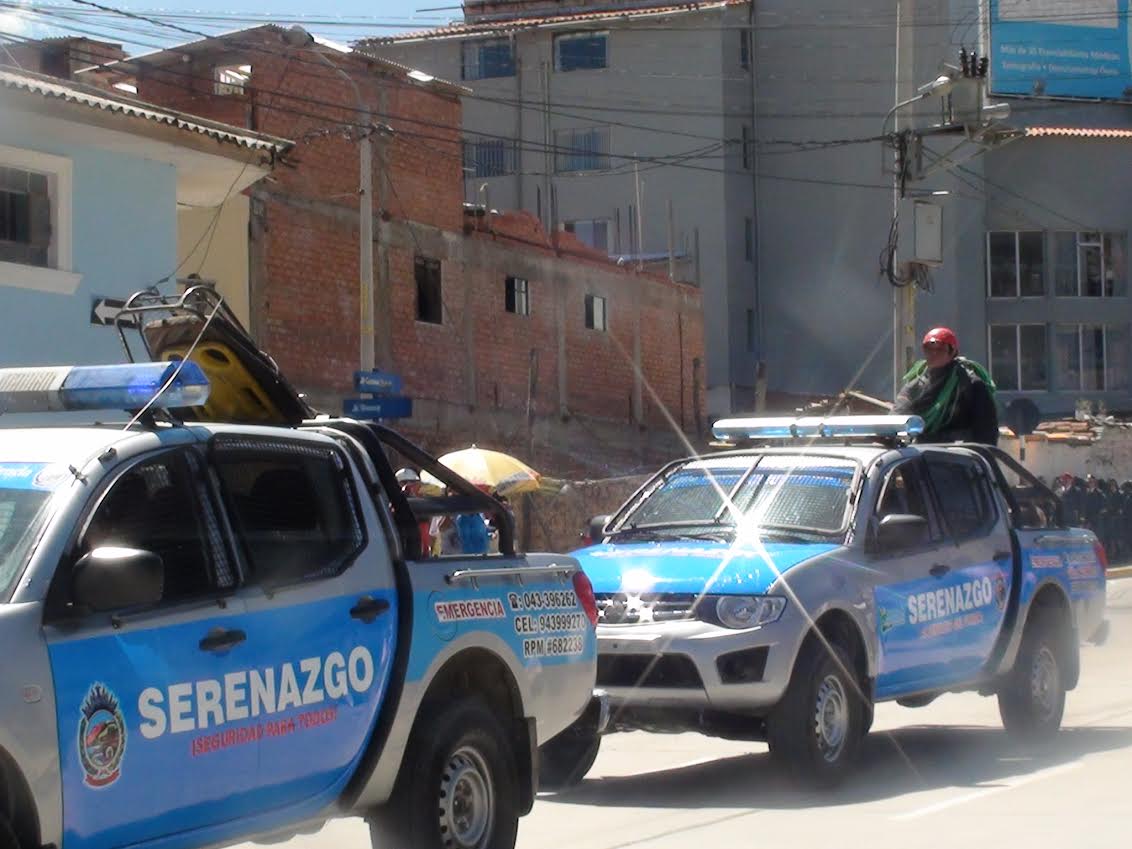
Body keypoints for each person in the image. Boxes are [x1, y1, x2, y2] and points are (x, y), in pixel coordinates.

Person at [893, 327, 999, 446]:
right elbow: (898, 414)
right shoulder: (915, 386)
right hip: (920, 453)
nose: (933, 353)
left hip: (959, 455)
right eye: (929, 349)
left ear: (952, 352)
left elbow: (987, 430)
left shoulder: (970, 385)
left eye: (940, 349)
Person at [395, 468, 433, 558]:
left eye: (412, 482)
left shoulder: (423, 501)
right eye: (404, 482)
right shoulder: (392, 503)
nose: (408, 485)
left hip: (422, 551)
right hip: (402, 550)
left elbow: (426, 521)